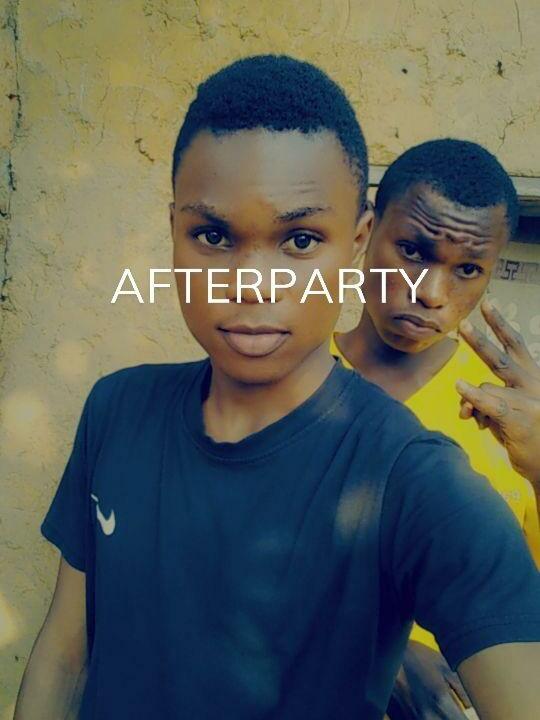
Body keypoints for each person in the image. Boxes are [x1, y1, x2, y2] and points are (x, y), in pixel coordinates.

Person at [14, 57, 540, 720]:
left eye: (300, 240)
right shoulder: (116, 411)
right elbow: (65, 657)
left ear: (354, 243)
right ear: (173, 233)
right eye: (213, 235)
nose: (252, 283)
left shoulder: (413, 477)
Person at [331, 139, 540, 719]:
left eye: (467, 269)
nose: (430, 293)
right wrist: (387, 652)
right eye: (413, 250)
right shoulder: (290, 381)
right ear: (367, 231)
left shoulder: (513, 414)